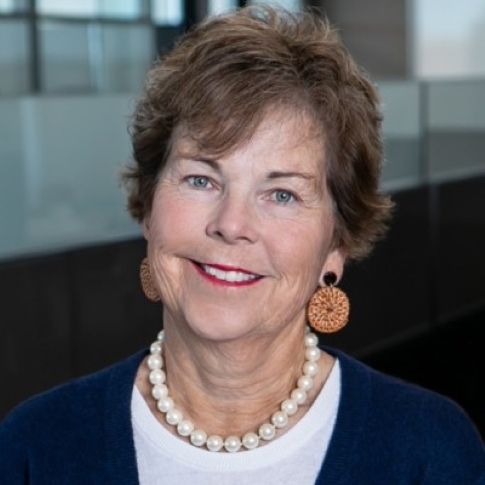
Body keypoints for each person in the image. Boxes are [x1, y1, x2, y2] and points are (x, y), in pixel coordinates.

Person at [1, 5, 484, 484]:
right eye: (201, 180)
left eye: (282, 194)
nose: (231, 225)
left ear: (336, 245)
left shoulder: (429, 450)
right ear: (149, 208)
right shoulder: (35, 447)